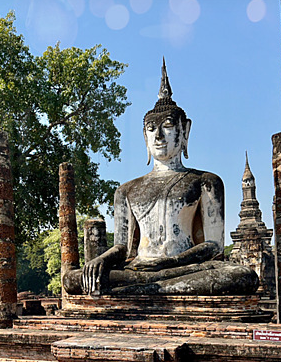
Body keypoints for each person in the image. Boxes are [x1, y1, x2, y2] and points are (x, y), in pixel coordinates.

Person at [64, 60, 258, 297]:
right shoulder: (126, 190)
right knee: (73, 279)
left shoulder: (206, 181)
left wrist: (168, 263)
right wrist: (101, 259)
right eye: (151, 129)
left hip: (183, 269)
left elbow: (213, 247)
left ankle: (144, 290)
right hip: (138, 269)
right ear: (144, 136)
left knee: (240, 277)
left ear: (184, 131)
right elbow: (122, 248)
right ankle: (148, 287)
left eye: (166, 126)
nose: (158, 136)